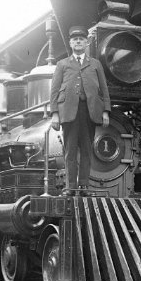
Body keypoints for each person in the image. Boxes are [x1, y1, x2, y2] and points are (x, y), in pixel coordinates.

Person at [50, 26, 111, 196]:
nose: (78, 41)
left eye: (81, 39)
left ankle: (84, 187)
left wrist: (106, 111)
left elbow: (104, 90)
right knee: (70, 150)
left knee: (86, 149)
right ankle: (70, 187)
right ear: (70, 43)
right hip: (69, 112)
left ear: (86, 42)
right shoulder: (62, 64)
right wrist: (55, 113)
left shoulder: (95, 64)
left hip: (89, 111)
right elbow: (54, 91)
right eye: (75, 39)